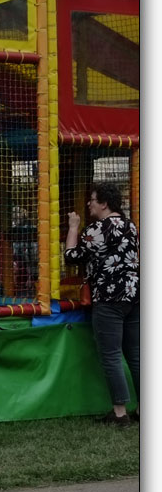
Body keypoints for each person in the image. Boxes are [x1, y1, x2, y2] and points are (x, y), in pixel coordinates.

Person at [64, 182, 139, 427]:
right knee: (136, 355)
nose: (89, 204)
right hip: (134, 295)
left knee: (111, 355)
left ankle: (120, 413)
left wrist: (73, 228)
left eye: (93, 200)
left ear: (104, 203)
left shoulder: (97, 229)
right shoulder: (131, 226)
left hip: (108, 298)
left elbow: (71, 257)